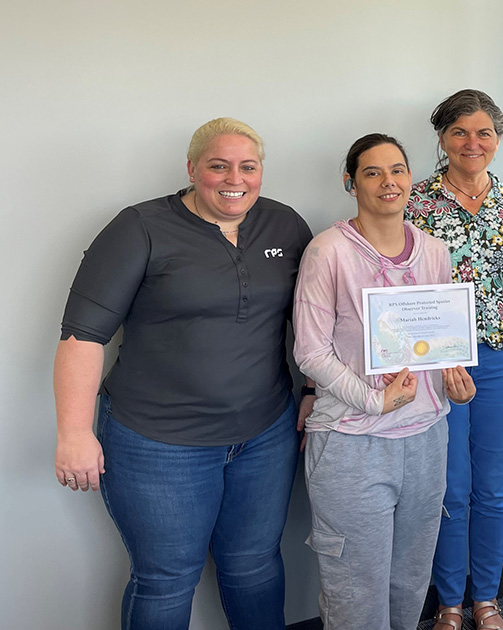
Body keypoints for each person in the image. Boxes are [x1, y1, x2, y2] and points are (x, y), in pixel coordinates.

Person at [52, 117, 313, 630]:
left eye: (248, 167)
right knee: (166, 580)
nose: (234, 179)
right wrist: (74, 433)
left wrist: (312, 388)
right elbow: (83, 336)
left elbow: (315, 319)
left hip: (264, 435)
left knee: (255, 566)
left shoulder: (284, 225)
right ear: (192, 169)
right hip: (157, 443)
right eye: (219, 166)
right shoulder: (140, 227)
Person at [293, 133, 476, 630]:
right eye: (372, 172)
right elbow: (310, 351)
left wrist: (454, 385)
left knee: (409, 584)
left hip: (427, 438)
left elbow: (438, 344)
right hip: (353, 443)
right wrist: (372, 400)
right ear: (351, 183)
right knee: (356, 593)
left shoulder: (434, 251)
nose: (387, 182)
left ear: (410, 178)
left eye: (397, 170)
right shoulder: (328, 252)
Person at [406, 89, 503, 630]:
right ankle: (450, 602)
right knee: (450, 486)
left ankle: (487, 600)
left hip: (502, 357)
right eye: (459, 132)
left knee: (494, 483)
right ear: (442, 138)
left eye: (484, 133)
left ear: (498, 139)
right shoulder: (414, 204)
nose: (472, 143)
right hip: (438, 362)